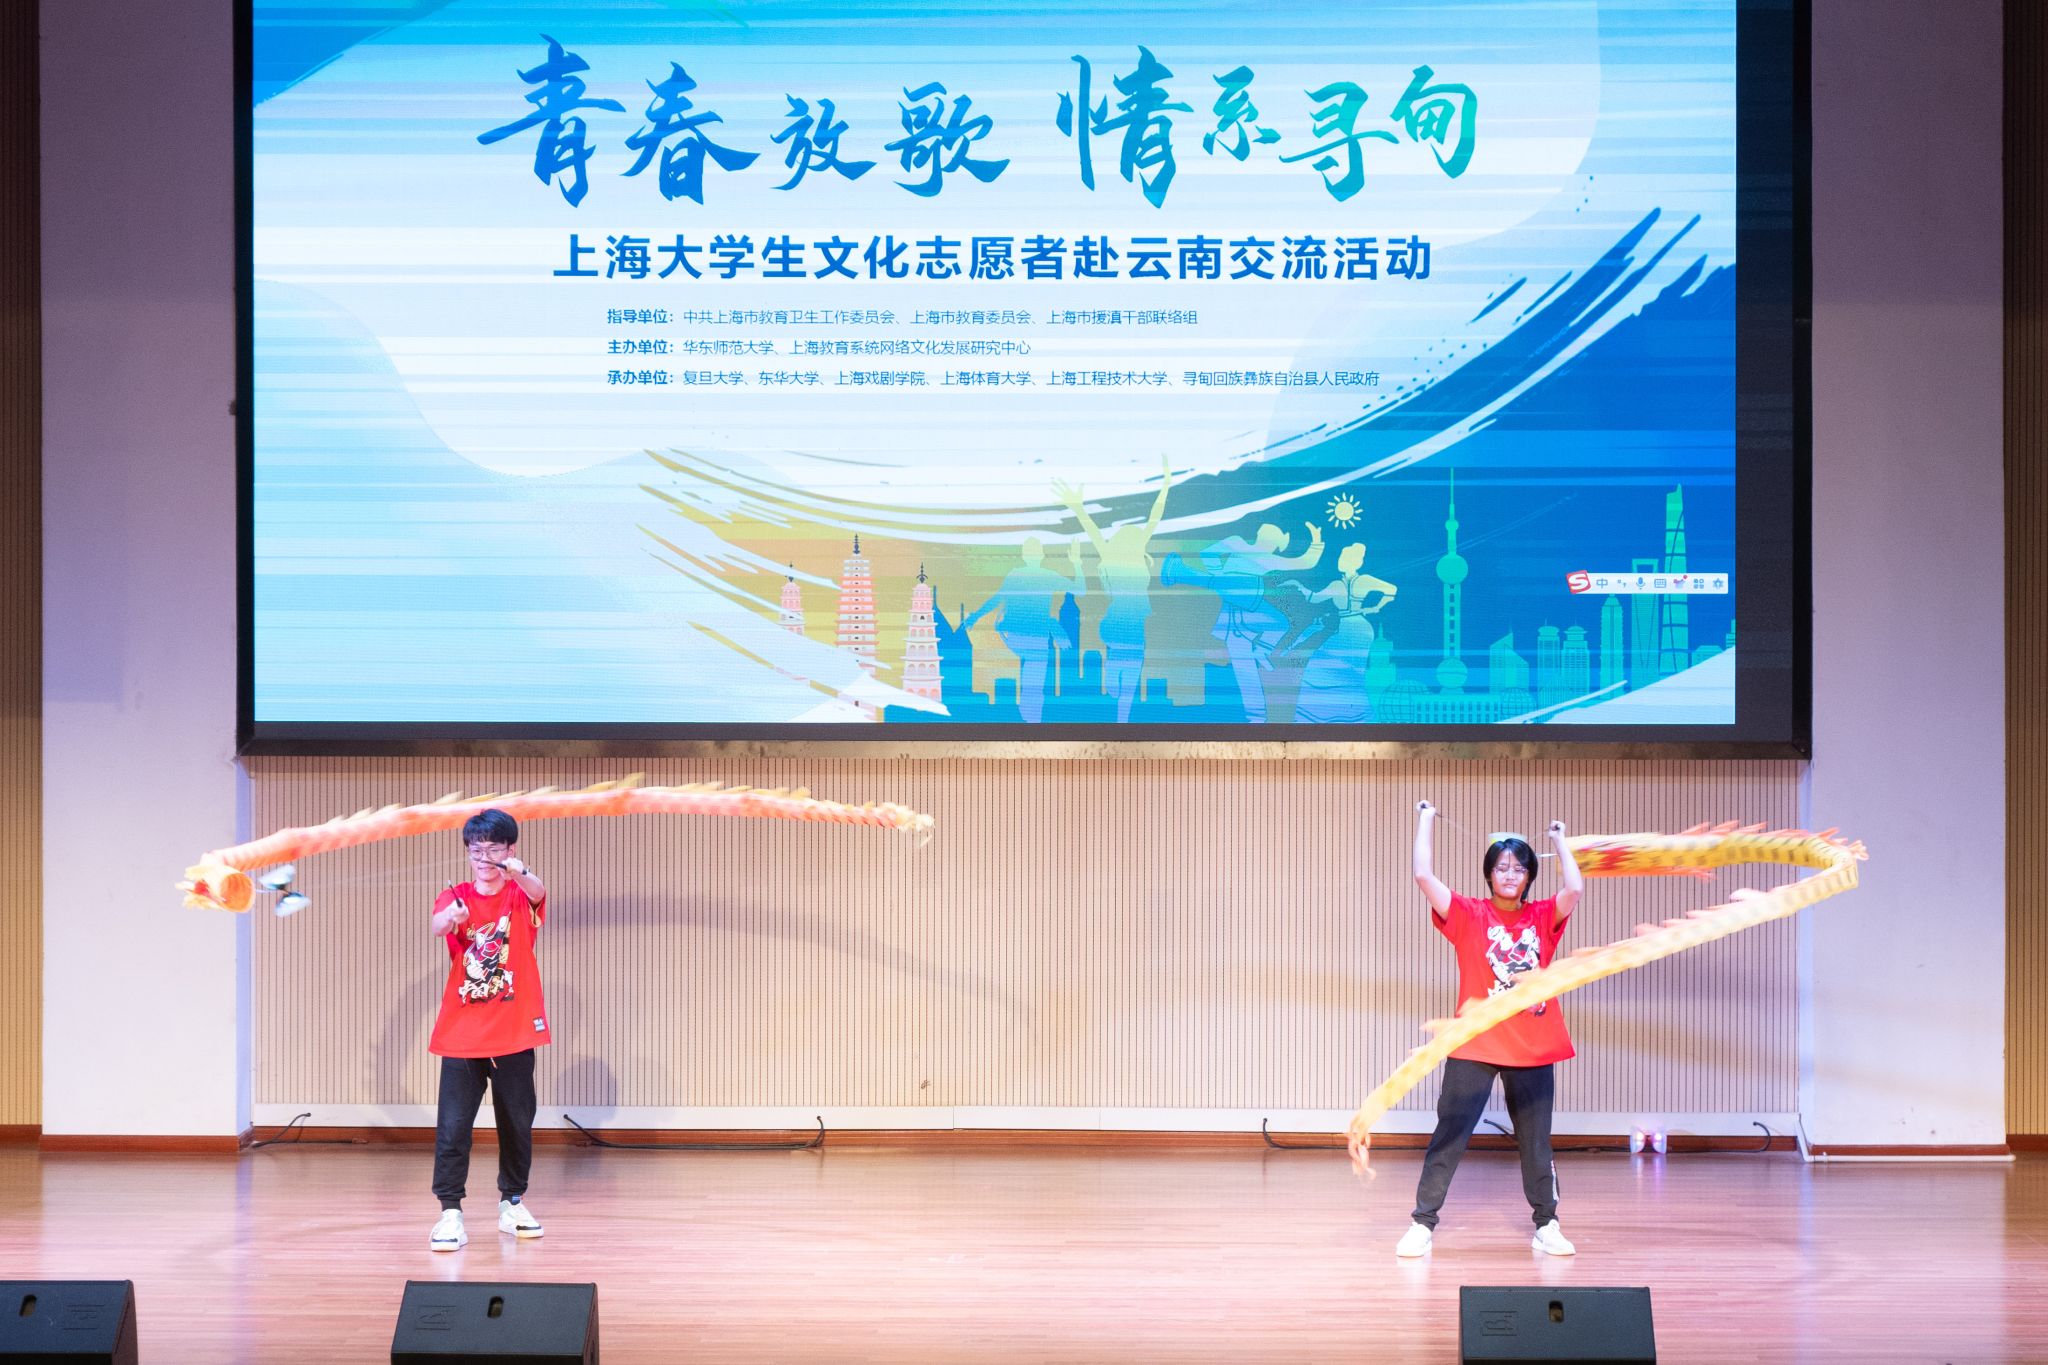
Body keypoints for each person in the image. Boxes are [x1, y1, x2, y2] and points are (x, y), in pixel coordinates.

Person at [1396, 800, 1584, 1258]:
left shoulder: (1543, 916)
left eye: (1519, 868)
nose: (1510, 874)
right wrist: (1426, 819)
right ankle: (1422, 1223)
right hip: (1475, 1042)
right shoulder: (1468, 914)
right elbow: (1423, 874)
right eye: (1502, 867)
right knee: (1450, 1134)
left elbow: (1575, 887)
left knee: (1536, 1142)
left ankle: (1547, 1223)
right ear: (1489, 874)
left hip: (1532, 1046)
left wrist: (1560, 841)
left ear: (1529, 876)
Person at [426, 809, 550, 1252]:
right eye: (476, 850)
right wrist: (452, 917)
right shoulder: (454, 895)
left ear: (509, 850)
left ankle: (512, 1203)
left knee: (516, 1121)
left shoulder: (519, 893)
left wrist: (521, 871)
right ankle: (450, 1213)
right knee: (454, 1124)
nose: (483, 858)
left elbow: (539, 892)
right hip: (463, 1033)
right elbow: (438, 925)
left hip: (515, 1030)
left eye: (493, 849)